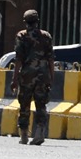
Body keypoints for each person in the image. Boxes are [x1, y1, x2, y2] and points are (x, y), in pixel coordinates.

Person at [11, 9, 55, 145]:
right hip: (42, 75)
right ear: (37, 21)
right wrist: (51, 77)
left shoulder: (21, 36)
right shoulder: (46, 36)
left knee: (24, 104)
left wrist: (14, 79)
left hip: (27, 76)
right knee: (41, 104)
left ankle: (24, 134)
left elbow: (18, 59)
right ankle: (39, 132)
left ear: (25, 22)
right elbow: (50, 59)